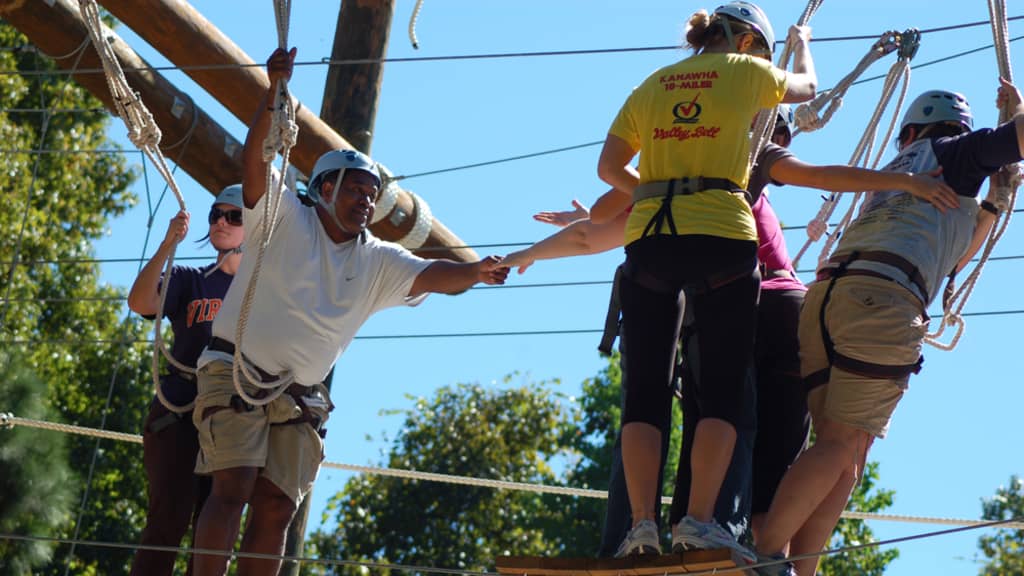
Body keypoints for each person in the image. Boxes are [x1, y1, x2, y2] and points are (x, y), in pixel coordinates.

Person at [502, 108, 957, 559]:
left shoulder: (684, 182)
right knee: (768, 462)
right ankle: (766, 556)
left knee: (720, 425)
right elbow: (817, 173)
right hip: (787, 316)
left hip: (738, 311)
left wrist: (533, 251)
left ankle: (698, 529)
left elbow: (593, 237)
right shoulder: (735, 178)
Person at [188, 47, 508, 576]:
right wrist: (275, 92)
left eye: (372, 193)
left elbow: (433, 277)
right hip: (236, 372)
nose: (366, 199)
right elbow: (255, 162)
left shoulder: (377, 259)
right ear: (324, 189)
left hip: (298, 396)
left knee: (277, 507)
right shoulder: (285, 217)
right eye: (355, 189)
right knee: (234, 485)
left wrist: (473, 272)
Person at [753, 79, 1024, 576]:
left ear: (908, 132)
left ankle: (796, 567)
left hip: (830, 298)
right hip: (881, 304)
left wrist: (994, 200)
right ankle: (763, 557)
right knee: (838, 445)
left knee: (845, 452)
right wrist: (1014, 119)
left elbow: (948, 251)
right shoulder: (957, 152)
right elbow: (1017, 139)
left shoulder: (898, 172)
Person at [593, 0, 816, 561]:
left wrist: (652, 187)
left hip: (650, 238)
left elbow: (608, 169)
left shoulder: (654, 83)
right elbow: (807, 88)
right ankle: (698, 520)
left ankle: (640, 525)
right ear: (746, 43)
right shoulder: (746, 71)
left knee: (644, 394)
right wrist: (803, 43)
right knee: (722, 393)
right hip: (720, 234)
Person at [126, 184, 245, 576]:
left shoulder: (261, 296)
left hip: (230, 420)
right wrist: (166, 246)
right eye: (215, 215)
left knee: (214, 536)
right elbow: (141, 303)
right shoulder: (190, 279)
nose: (220, 222)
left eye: (234, 216)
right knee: (168, 518)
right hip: (179, 412)